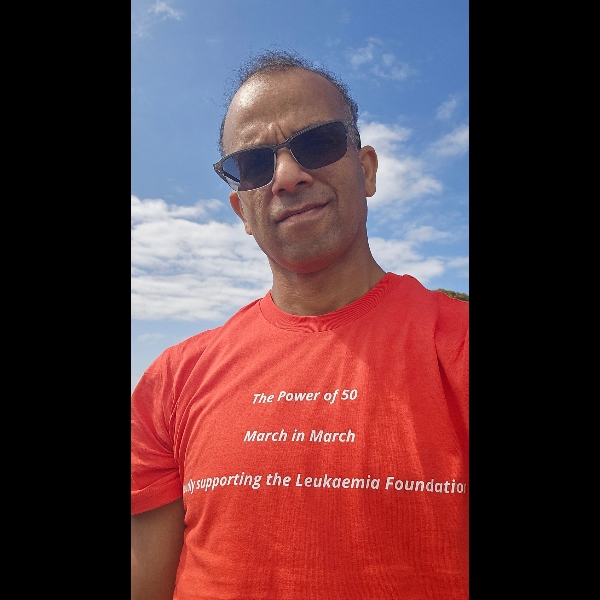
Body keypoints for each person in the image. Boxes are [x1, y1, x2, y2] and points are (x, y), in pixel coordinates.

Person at [131, 50, 468, 600]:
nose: (287, 176)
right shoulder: (170, 382)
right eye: (254, 164)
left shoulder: (457, 346)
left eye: (317, 143)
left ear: (366, 170)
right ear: (242, 210)